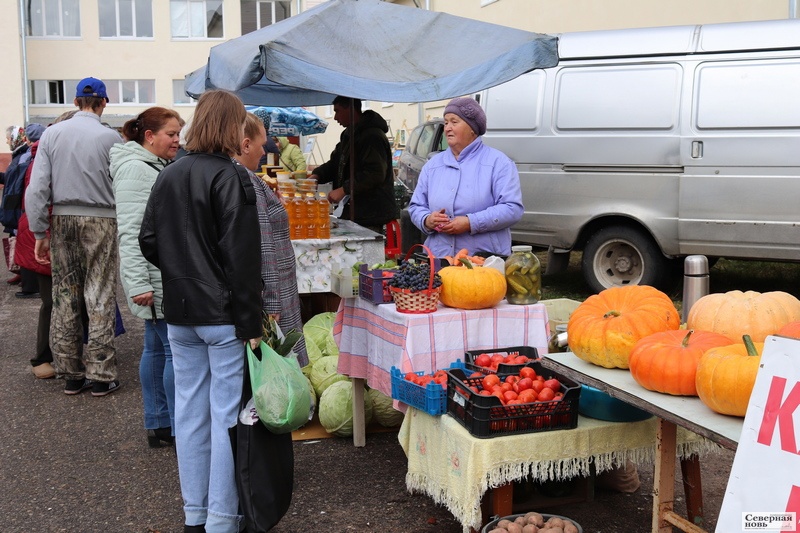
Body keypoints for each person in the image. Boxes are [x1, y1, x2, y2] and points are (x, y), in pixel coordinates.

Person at [138, 90, 262, 533]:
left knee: (189, 414)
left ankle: (195, 514)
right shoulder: (232, 177)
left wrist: (181, 272)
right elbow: (243, 259)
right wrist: (251, 322)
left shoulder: (170, 173)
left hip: (180, 311)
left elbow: (148, 239)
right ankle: (222, 519)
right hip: (223, 314)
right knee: (225, 416)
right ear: (233, 127)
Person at [25, 77, 123, 397]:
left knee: (65, 294)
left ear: (75, 100)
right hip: (102, 219)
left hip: (63, 218)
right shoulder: (111, 138)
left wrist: (40, 230)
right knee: (100, 294)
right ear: (103, 102)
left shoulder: (52, 134)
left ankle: (70, 373)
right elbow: (120, 186)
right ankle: (100, 373)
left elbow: (38, 187)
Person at [110, 107, 182, 448]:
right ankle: (178, 425)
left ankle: (160, 423)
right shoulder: (137, 171)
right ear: (149, 136)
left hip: (158, 273)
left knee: (155, 347)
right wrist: (139, 284)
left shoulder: (151, 165)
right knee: (171, 351)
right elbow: (131, 232)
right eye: (170, 134)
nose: (177, 140)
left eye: (178, 134)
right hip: (153, 277)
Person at [407, 96, 524, 257]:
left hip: (483, 260)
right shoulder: (433, 165)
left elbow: (512, 209)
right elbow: (415, 206)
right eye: (446, 122)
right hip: (440, 258)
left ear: (472, 129)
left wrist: (471, 223)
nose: (447, 128)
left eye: (454, 122)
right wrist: (427, 220)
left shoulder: (499, 163)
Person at [235, 113, 308, 366]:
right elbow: (264, 244)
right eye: (261, 145)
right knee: (279, 361)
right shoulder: (249, 182)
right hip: (274, 291)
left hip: (271, 288)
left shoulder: (242, 178)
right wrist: (272, 303)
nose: (263, 153)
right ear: (245, 145)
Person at [309, 96, 398, 233]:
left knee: (364, 251)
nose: (335, 117)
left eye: (337, 111)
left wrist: (344, 189)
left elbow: (375, 174)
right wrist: (317, 175)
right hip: (353, 211)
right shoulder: (348, 134)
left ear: (351, 109)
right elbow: (335, 163)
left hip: (371, 213)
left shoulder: (373, 136)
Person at [13, 122, 54, 378]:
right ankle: (42, 357)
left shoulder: (37, 154)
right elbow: (37, 198)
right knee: (51, 301)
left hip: (41, 231)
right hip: (43, 234)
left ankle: (50, 355)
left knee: (55, 300)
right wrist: (44, 235)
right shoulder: (42, 157)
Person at [1, 125, 36, 291]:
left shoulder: (23, 155)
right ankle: (19, 271)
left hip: (17, 204)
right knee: (13, 237)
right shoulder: (19, 154)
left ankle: (24, 273)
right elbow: (10, 178)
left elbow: (15, 183)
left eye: (8, 138)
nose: (7, 141)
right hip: (14, 204)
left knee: (18, 238)